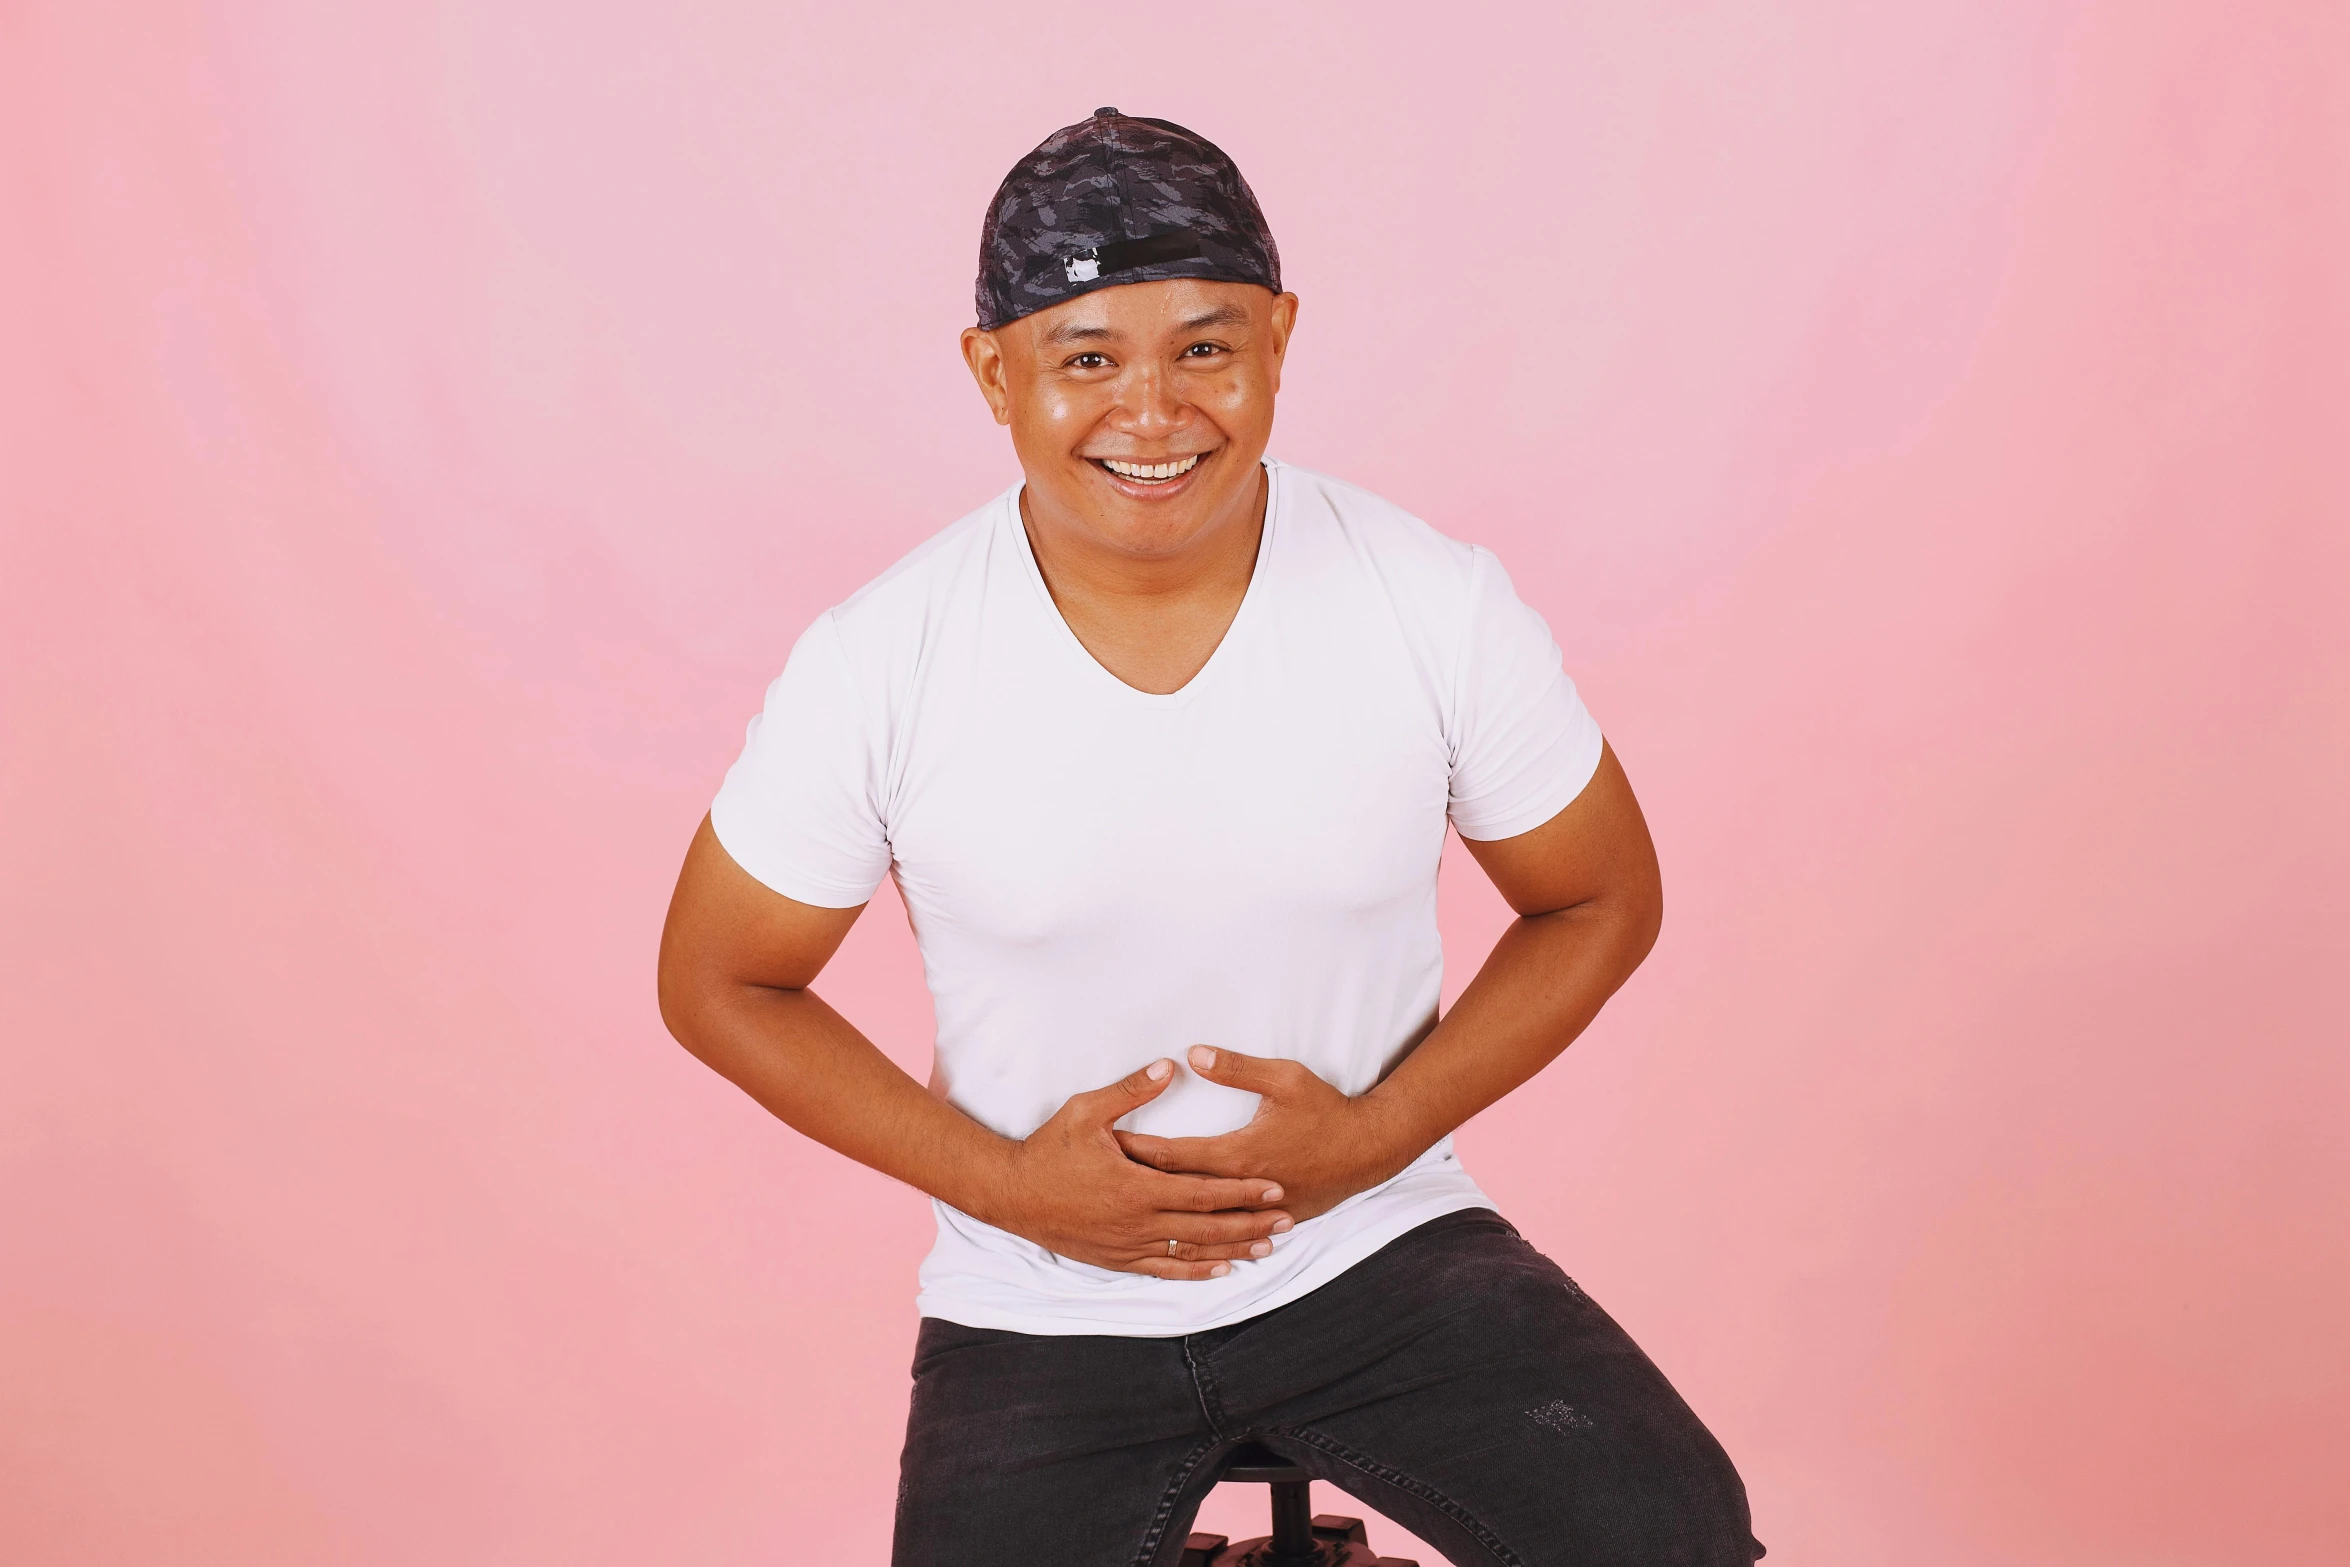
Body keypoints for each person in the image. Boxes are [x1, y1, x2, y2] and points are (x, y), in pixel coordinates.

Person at [658, 108, 1762, 1567]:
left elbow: (1599, 897)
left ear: (1279, 338)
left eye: (1203, 345)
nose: (1155, 410)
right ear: (994, 372)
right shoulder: (884, 658)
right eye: (1087, 356)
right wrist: (1004, 1186)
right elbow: (717, 978)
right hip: (1042, 1296)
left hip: (1377, 1250)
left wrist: (1371, 1139)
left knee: (1671, 1538)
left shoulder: (1429, 600)